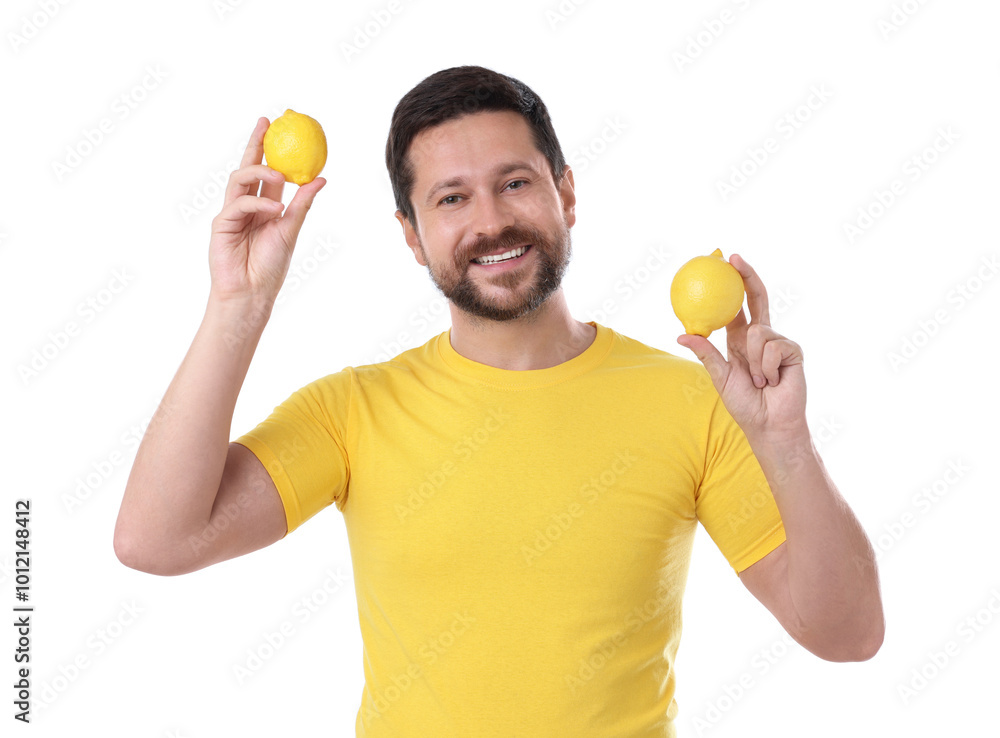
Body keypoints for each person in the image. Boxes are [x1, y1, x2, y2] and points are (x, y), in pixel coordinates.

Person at [114, 65, 884, 737]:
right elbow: (156, 540)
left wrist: (787, 446)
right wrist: (238, 304)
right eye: (451, 198)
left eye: (514, 183)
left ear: (566, 193)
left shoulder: (695, 401)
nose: (490, 222)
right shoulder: (354, 413)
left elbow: (847, 634)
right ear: (412, 236)